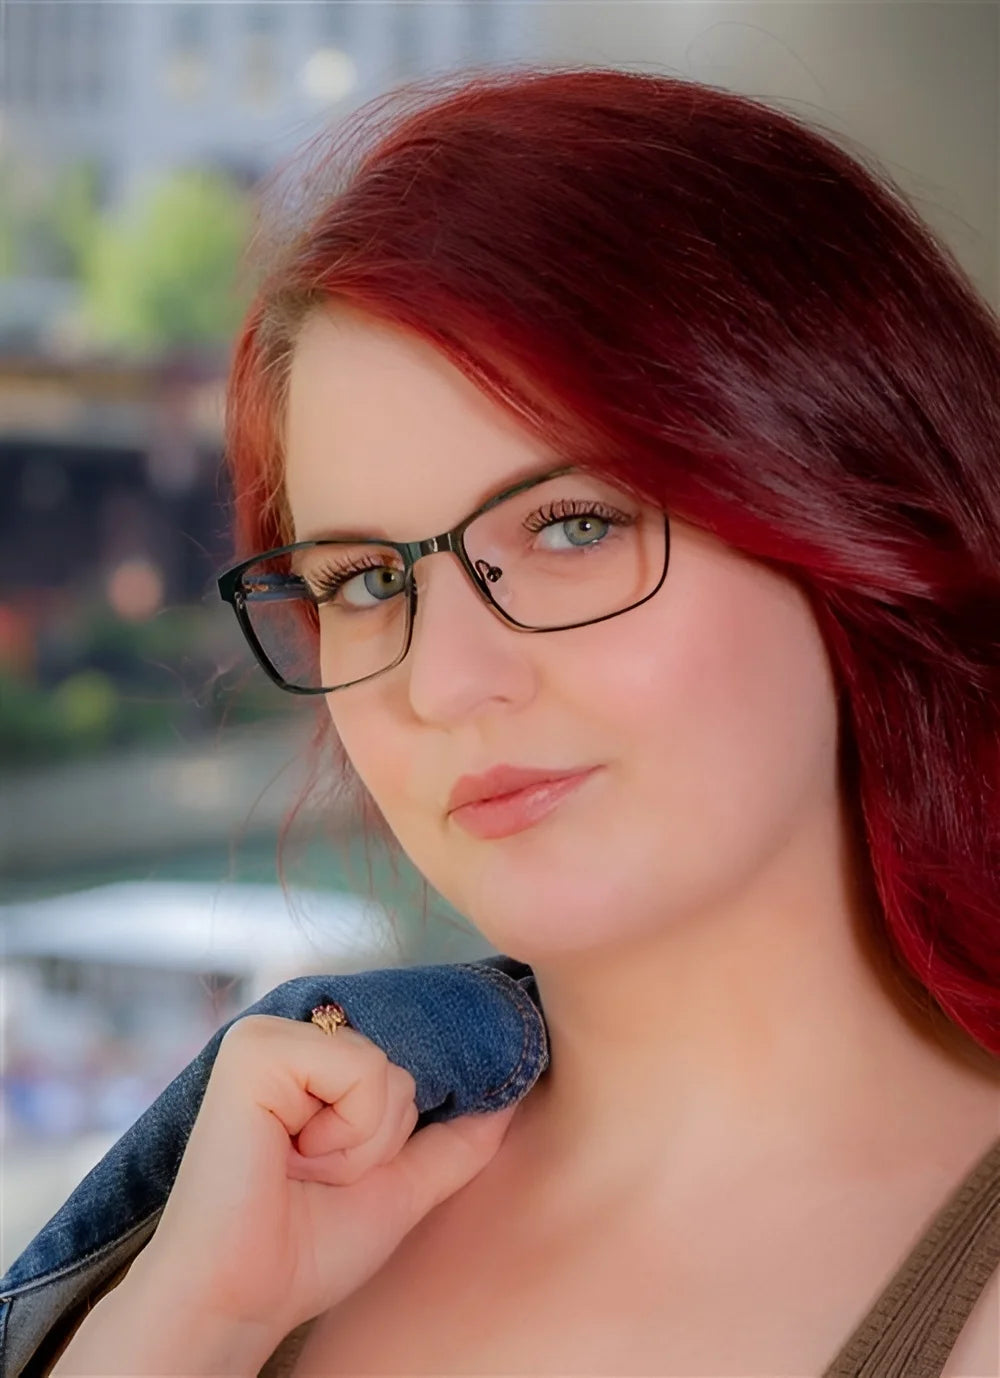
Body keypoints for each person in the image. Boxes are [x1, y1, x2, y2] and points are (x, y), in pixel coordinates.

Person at [3, 64, 999, 1378]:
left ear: (852, 507)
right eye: (365, 580)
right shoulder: (235, 1228)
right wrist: (175, 1334)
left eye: (571, 525)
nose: (443, 681)